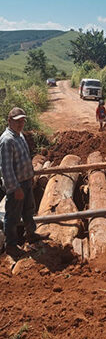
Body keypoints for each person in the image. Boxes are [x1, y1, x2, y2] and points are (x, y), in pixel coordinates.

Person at [1, 107, 48, 258]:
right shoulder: (7, 140)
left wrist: (31, 176)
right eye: (17, 121)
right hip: (17, 185)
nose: (20, 124)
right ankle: (11, 245)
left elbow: (25, 159)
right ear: (9, 121)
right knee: (13, 216)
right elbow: (6, 168)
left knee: (29, 210)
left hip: (26, 181)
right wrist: (15, 188)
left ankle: (31, 234)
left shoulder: (19, 136)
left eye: (22, 121)